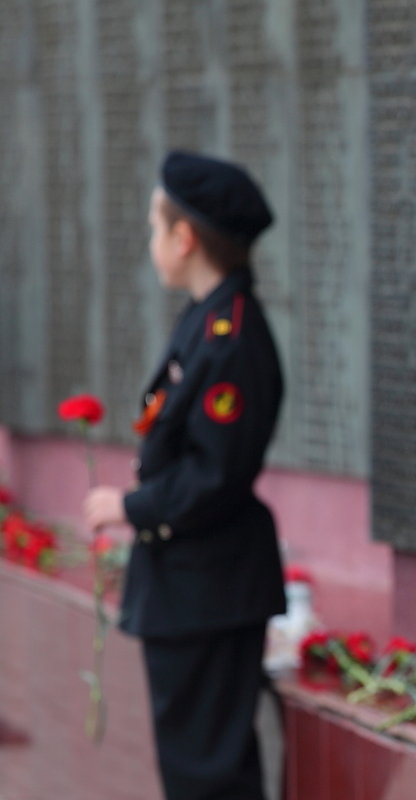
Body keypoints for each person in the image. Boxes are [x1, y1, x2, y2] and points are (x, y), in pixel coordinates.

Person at [83, 150, 286, 800]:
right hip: (191, 588)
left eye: (153, 225)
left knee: (210, 779)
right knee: (193, 772)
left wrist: (129, 504)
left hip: (210, 588)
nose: (151, 241)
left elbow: (213, 476)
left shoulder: (228, 337)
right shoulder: (207, 320)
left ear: (185, 237)